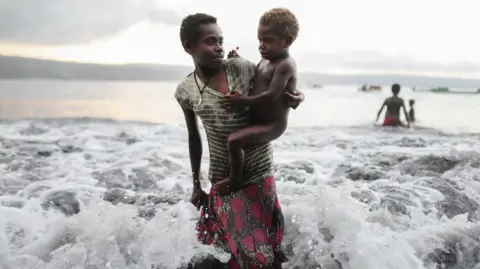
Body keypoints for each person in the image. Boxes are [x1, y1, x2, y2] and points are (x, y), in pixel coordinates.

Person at [174, 13, 305, 269]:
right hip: (223, 180)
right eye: (210, 41)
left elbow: (276, 87)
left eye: (220, 40)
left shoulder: (241, 67)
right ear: (189, 47)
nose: (218, 47)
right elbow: (194, 138)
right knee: (225, 252)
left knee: (265, 253)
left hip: (257, 174)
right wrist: (196, 185)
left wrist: (297, 95)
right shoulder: (185, 91)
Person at [214, 8, 299, 196]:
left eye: (267, 40)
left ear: (287, 41)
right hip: (257, 119)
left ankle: (236, 178)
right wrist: (238, 61)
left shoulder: (285, 65)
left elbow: (271, 96)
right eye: (260, 40)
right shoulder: (265, 60)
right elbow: (255, 73)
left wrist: (241, 101)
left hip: (272, 124)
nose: (261, 45)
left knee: (234, 141)